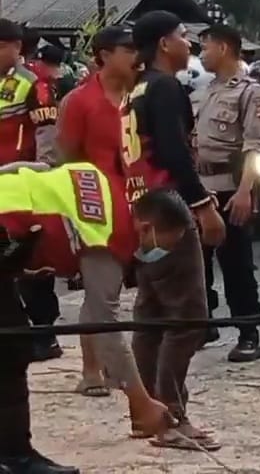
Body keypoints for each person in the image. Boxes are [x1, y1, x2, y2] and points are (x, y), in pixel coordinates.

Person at [0, 164, 191, 474]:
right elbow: (103, 323)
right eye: (162, 245)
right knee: (10, 348)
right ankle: (16, 458)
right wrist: (141, 401)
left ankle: (14, 454)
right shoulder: (108, 234)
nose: (159, 254)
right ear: (145, 228)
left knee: (12, 346)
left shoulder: (98, 179)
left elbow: (35, 169)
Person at [123, 10, 226, 450]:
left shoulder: (137, 89)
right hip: (168, 210)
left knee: (150, 317)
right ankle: (170, 416)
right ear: (165, 44)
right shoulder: (164, 87)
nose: (190, 44)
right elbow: (174, 152)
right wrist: (202, 204)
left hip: (141, 207)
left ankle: (146, 412)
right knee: (186, 319)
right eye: (184, 36)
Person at [56, 26, 155, 410]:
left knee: (129, 292)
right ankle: (92, 369)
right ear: (102, 55)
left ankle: (121, 366)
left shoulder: (145, 95)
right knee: (102, 292)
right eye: (126, 48)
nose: (135, 55)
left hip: (142, 202)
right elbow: (65, 156)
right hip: (96, 205)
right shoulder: (80, 100)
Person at [193, 24, 260, 362]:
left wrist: (244, 192)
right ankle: (204, 324)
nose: (201, 54)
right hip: (202, 188)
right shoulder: (208, 89)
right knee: (197, 263)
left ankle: (248, 332)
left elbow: (254, 148)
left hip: (229, 189)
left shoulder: (250, 92)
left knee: (236, 265)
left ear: (223, 48)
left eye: (205, 47)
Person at [0, 22, 62, 364]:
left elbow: (47, 134)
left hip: (22, 180)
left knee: (32, 258)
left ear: (15, 47)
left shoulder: (34, 83)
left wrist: (42, 175)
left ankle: (45, 332)